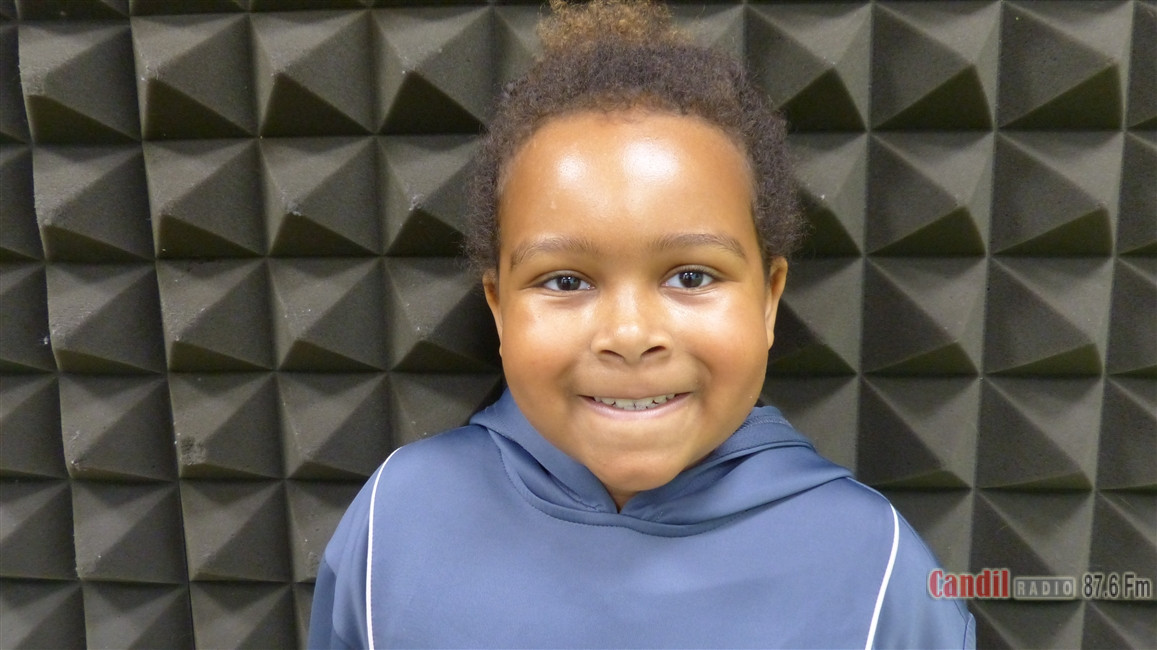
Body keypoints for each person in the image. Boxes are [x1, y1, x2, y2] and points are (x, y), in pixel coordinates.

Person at [308, 1, 976, 647]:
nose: (629, 336)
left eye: (692, 277)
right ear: (498, 307)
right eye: (565, 281)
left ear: (769, 299)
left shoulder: (875, 566)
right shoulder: (396, 518)